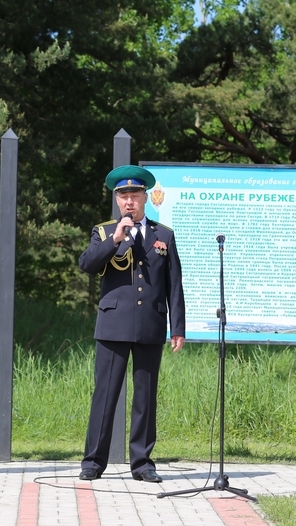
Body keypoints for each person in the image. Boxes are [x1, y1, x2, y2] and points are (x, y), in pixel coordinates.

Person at [78, 165, 185, 483]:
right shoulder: (103, 232)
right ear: (117, 199)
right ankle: (94, 461)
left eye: (134, 195)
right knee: (105, 394)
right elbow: (87, 264)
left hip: (150, 323)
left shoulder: (162, 235)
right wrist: (116, 239)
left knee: (145, 396)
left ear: (145, 198)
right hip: (113, 324)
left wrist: (177, 326)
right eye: (123, 195)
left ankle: (142, 462)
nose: (129, 201)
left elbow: (173, 284)